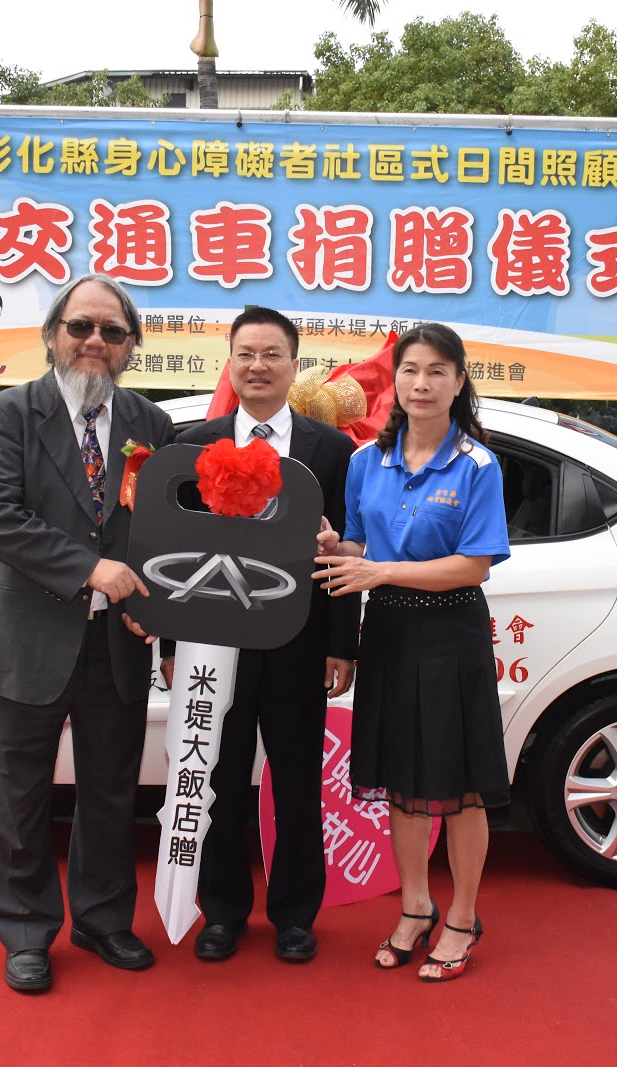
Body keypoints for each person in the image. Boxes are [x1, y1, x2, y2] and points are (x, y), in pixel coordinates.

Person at [0, 274, 176, 994]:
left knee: (111, 791)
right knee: (16, 796)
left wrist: (160, 611)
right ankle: (24, 930)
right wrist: (91, 569)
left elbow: (165, 530)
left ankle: (104, 920)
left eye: (112, 331)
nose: (95, 341)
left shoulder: (150, 423)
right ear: (53, 335)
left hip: (118, 644)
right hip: (26, 637)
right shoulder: (6, 414)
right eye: (81, 326)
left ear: (130, 345)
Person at [161, 306, 360, 964]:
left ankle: (295, 915)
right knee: (216, 777)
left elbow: (347, 550)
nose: (258, 365)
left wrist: (342, 642)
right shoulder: (196, 443)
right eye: (246, 353)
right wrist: (171, 645)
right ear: (230, 363)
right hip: (214, 643)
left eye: (272, 354)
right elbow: (176, 551)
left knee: (297, 782)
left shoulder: (332, 450)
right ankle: (222, 912)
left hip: (300, 640)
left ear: (294, 365)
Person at [314, 322, 511, 983]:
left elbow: (474, 564)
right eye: (410, 370)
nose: (421, 383)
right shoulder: (366, 461)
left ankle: (463, 915)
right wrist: (335, 546)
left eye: (436, 371)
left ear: (459, 382)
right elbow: (360, 546)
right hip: (390, 633)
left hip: (451, 634)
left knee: (460, 789)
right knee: (403, 784)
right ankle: (416, 905)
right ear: (394, 380)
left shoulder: (477, 464)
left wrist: (381, 571)